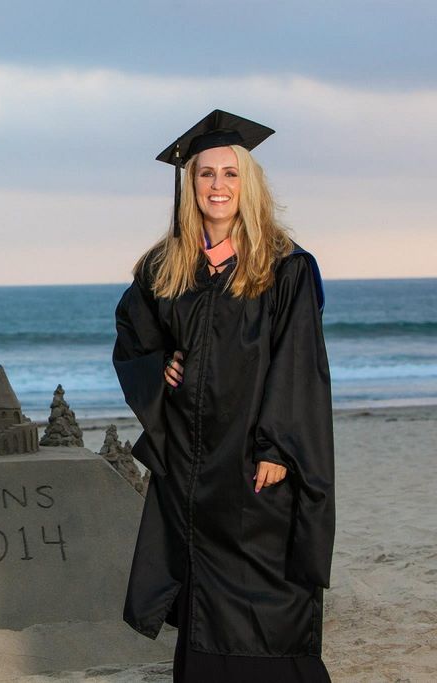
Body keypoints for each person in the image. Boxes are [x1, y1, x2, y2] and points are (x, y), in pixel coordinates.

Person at [112, 110, 335, 682]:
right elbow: (134, 335)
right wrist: (160, 365)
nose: (217, 185)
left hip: (255, 460)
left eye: (230, 174)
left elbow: (299, 364)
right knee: (205, 600)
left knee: (271, 593)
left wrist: (278, 449)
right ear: (190, 185)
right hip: (191, 462)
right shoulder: (166, 268)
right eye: (206, 173)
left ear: (248, 183)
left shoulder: (285, 268)